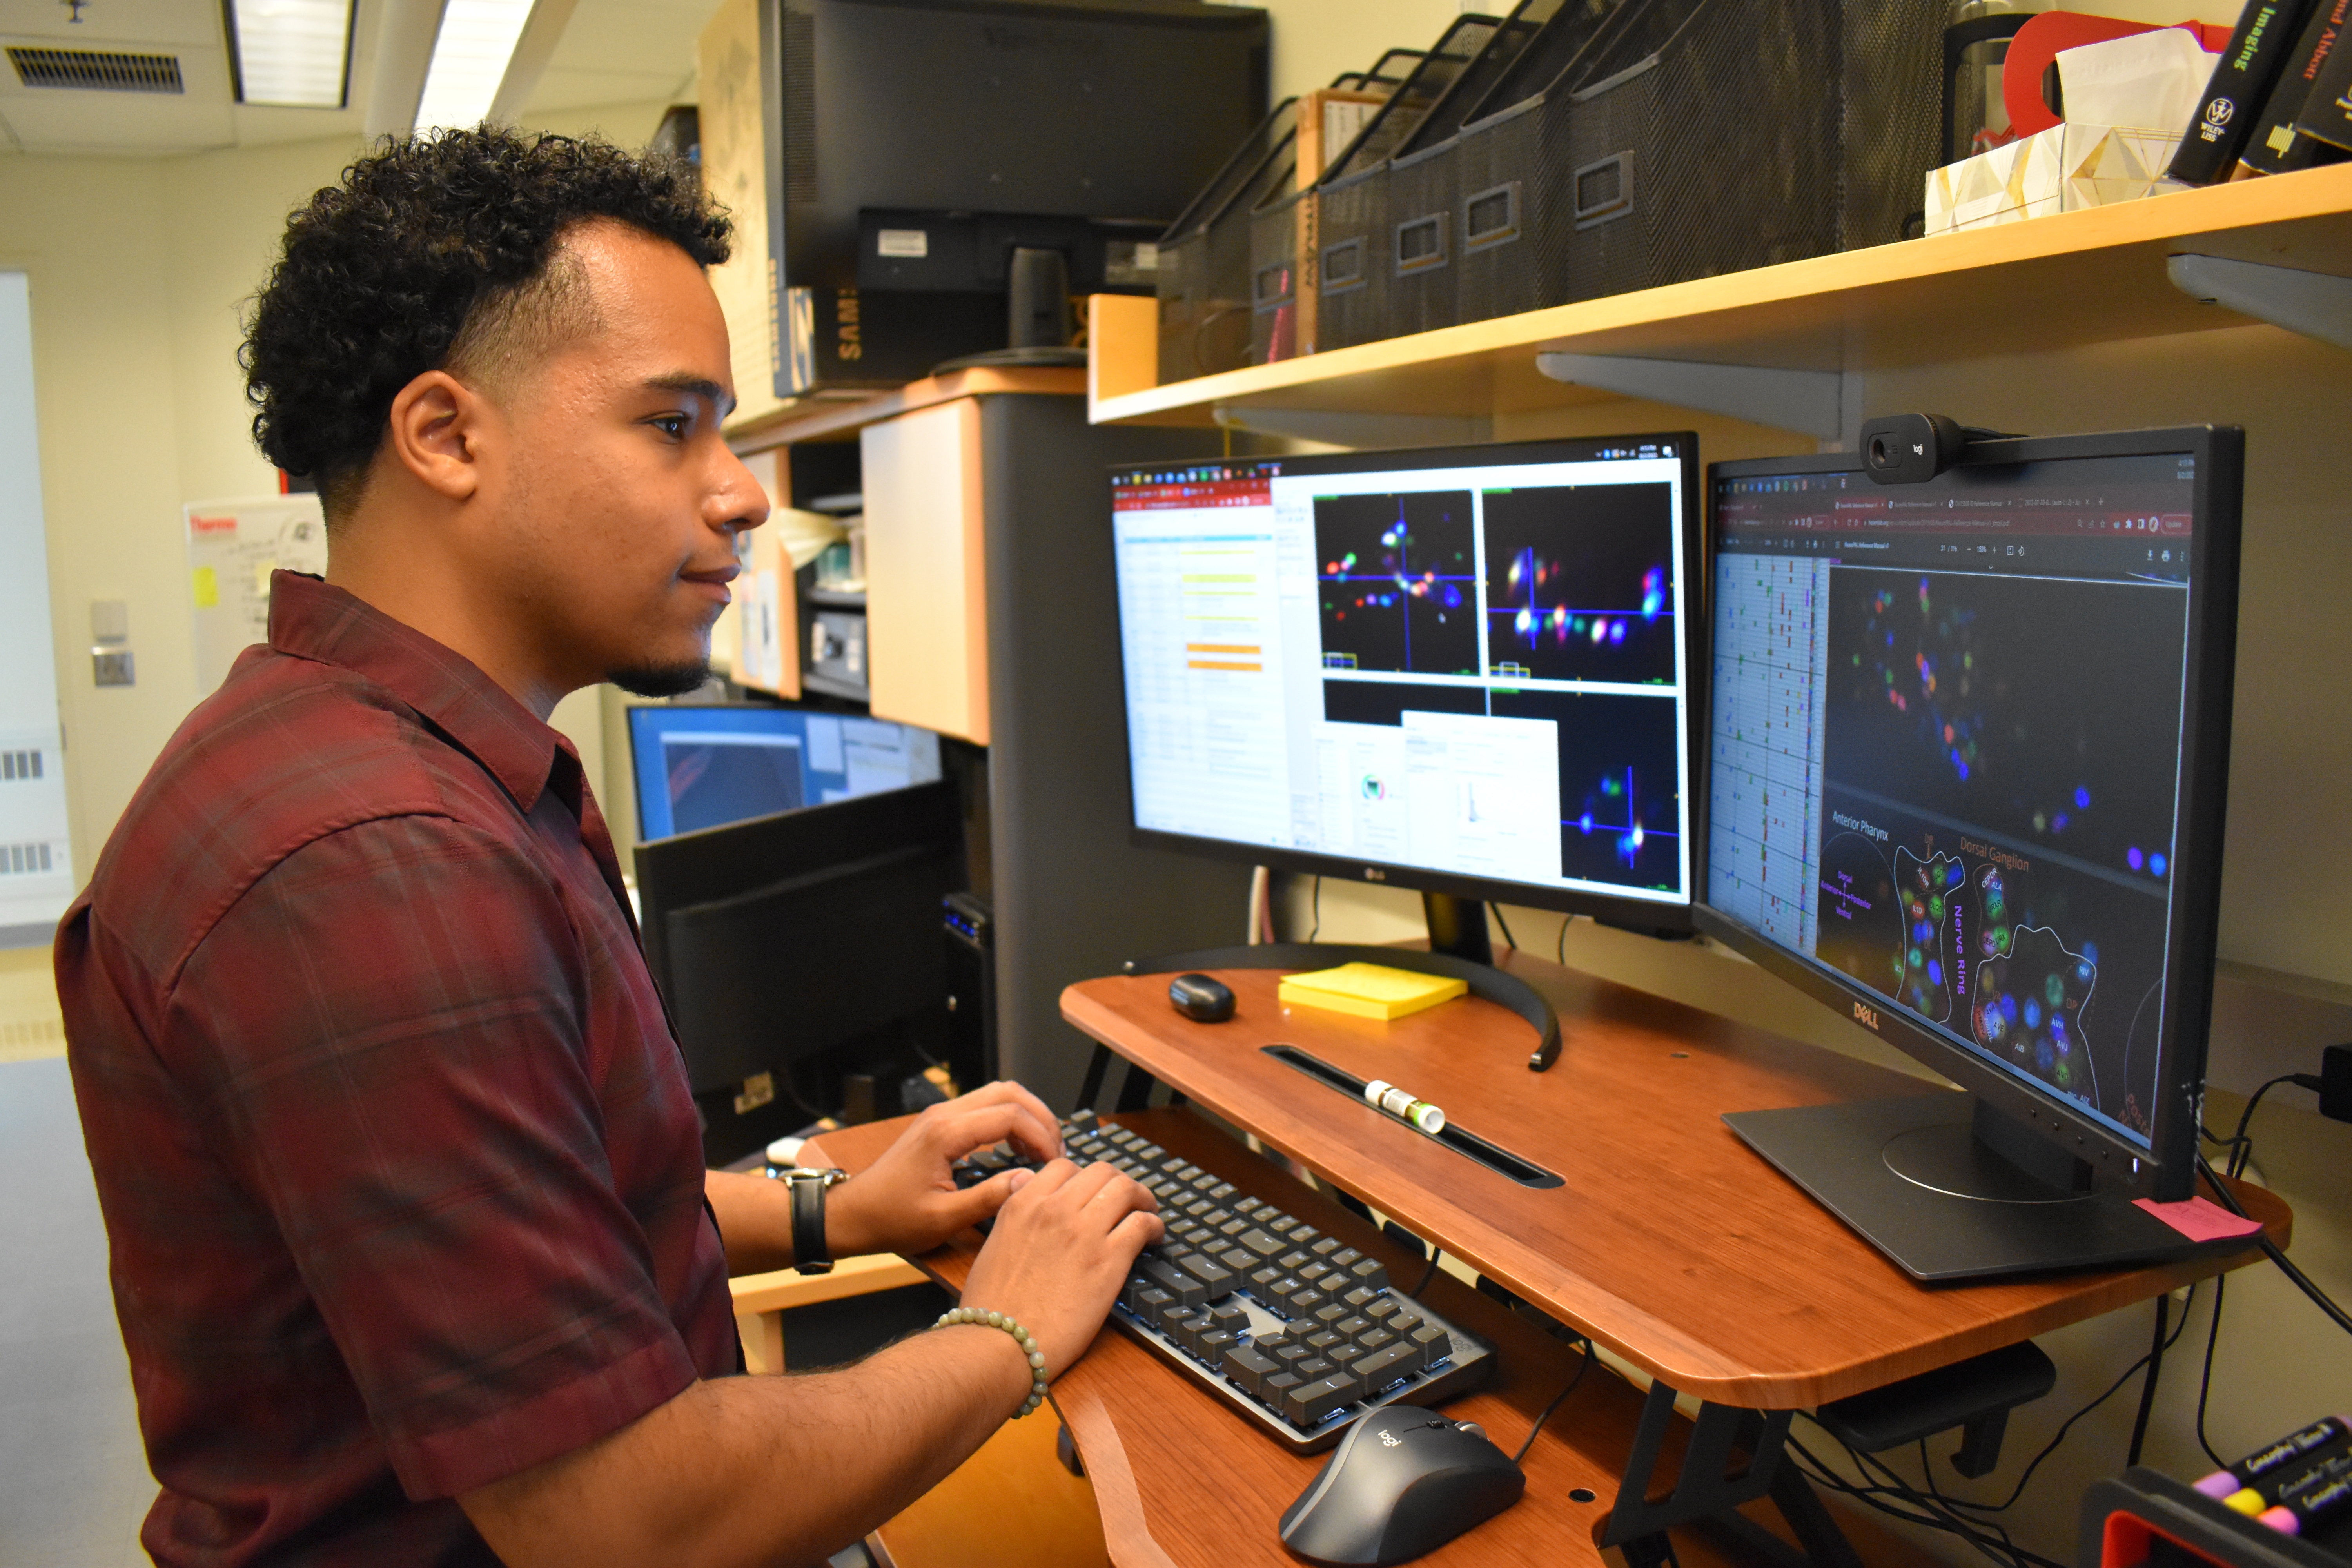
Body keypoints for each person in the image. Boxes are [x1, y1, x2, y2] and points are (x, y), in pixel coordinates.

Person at [55, 127, 1160, 1568]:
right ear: (445, 436)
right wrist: (1008, 1327)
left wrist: (839, 1204)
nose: (744, 490)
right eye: (671, 423)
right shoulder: (378, 869)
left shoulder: (390, 761)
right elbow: (623, 1521)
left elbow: (541, 1217)